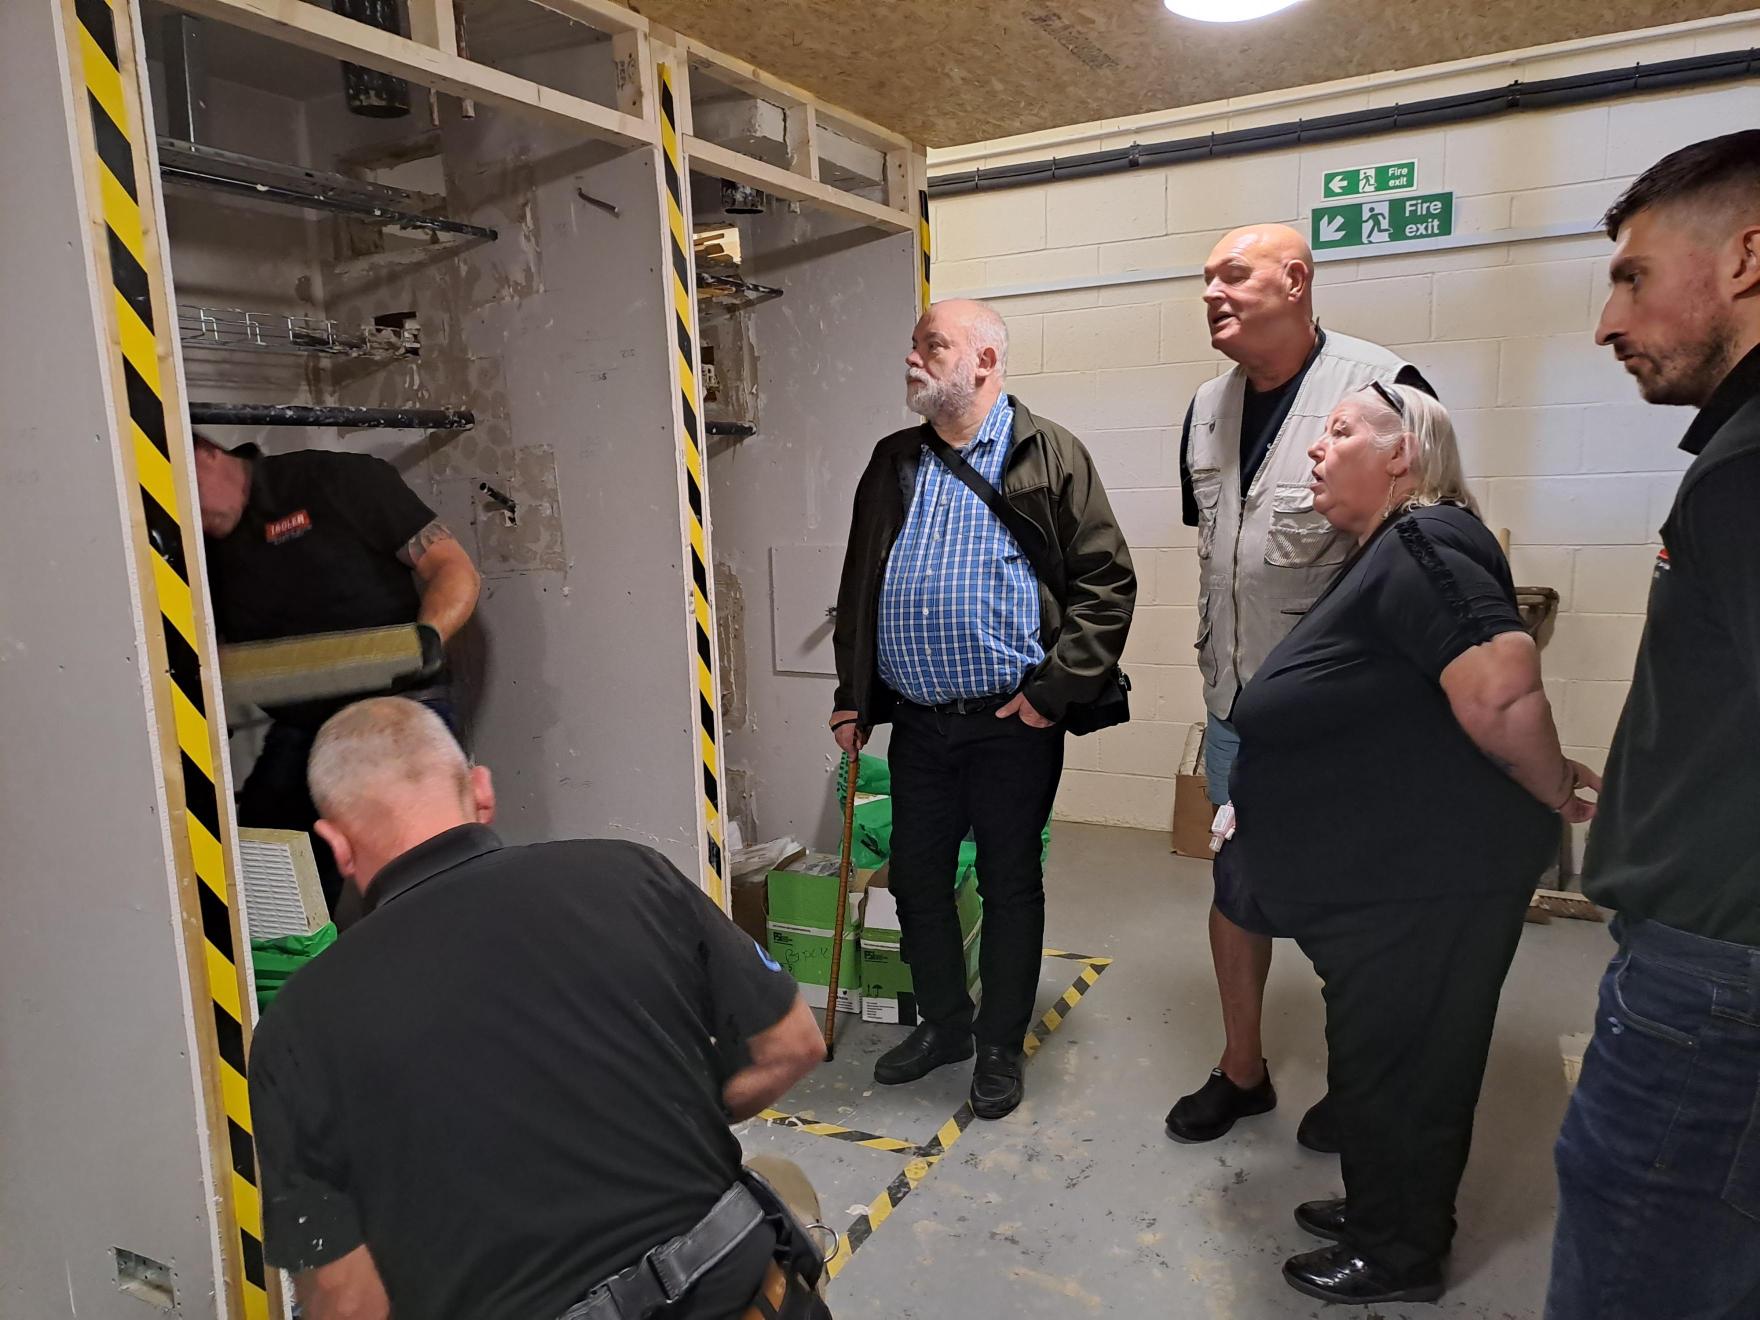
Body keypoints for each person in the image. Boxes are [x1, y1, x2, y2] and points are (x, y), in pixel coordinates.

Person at [247, 697, 832, 1320]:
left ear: (336, 844)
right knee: (781, 1183)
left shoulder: (295, 1027)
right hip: (738, 1294)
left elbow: (348, 1302)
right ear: (481, 791)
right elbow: (794, 1046)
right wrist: (671, 1116)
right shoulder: (631, 875)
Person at [1214, 383, 1596, 1305]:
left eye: (1341, 432)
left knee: (1412, 1065)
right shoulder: (1392, 548)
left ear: (1403, 456)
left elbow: (1502, 687)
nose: (1316, 449)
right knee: (1380, 1052)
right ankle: (1379, 1207)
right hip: (1393, 877)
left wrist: (1554, 785)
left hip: (1433, 880)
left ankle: (1400, 1252)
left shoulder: (1427, 540)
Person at [1547, 131, 1760, 1320]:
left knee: (1636, 1269)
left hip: (1711, 983)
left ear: (1743, 258)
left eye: (1632, 277)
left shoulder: (1748, 467)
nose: (1605, 322)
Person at [829, 298, 1135, 1120]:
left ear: (985, 362)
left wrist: (1050, 695)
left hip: (1011, 723)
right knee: (918, 879)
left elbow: (1107, 584)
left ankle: (999, 1044)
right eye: (914, 343)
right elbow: (861, 585)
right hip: (919, 720)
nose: (913, 358)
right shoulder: (894, 460)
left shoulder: (1049, 454)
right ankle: (945, 1025)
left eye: (932, 345)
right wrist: (853, 697)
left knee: (1008, 883)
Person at [1165, 223, 1435, 1150]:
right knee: (1237, 888)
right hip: (1237, 707)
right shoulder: (1206, 408)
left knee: (1351, 906)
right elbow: (1222, 549)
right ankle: (1242, 1071)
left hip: (1343, 724)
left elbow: (1419, 554)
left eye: (1234, 275)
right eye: (1206, 278)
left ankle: (1363, 1084)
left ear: (1296, 280)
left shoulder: (1384, 391)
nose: (1213, 292)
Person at [194, 434, 479, 912]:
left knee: (419, 867)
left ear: (207, 456)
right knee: (269, 879)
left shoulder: (334, 481)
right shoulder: (194, 547)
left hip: (397, 705)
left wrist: (426, 640)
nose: (191, 514)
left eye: (187, 491)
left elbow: (452, 568)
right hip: (302, 722)